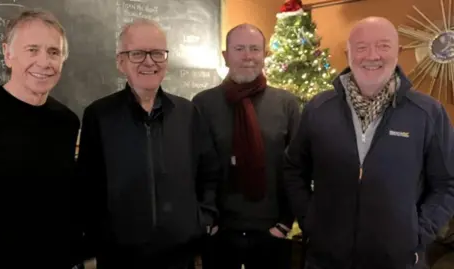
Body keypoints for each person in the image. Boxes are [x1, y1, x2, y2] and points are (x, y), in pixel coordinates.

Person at [284, 16, 454, 269]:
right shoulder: (319, 109)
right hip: (326, 259)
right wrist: (311, 220)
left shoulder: (427, 113)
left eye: (383, 46)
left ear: (397, 51)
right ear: (348, 52)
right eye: (361, 47)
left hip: (400, 260)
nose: (371, 55)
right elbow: (293, 169)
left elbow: (447, 183)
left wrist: (418, 233)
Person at [76, 18, 221, 269]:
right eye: (137, 54)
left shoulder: (188, 113)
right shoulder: (98, 115)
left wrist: (203, 219)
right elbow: (88, 185)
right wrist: (99, 234)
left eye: (157, 53)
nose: (149, 61)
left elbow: (209, 173)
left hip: (180, 255)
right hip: (119, 257)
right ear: (120, 62)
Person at [0, 9, 83, 269]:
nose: (44, 62)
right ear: (7, 53)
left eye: (53, 52)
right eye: (32, 50)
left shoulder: (66, 121)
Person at [193, 23, 300, 269]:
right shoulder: (202, 104)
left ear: (265, 54)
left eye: (255, 49)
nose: (248, 56)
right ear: (225, 56)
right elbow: (196, 168)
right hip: (219, 234)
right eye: (239, 48)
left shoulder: (287, 104)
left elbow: (297, 168)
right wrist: (208, 222)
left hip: (272, 233)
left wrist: (285, 224)